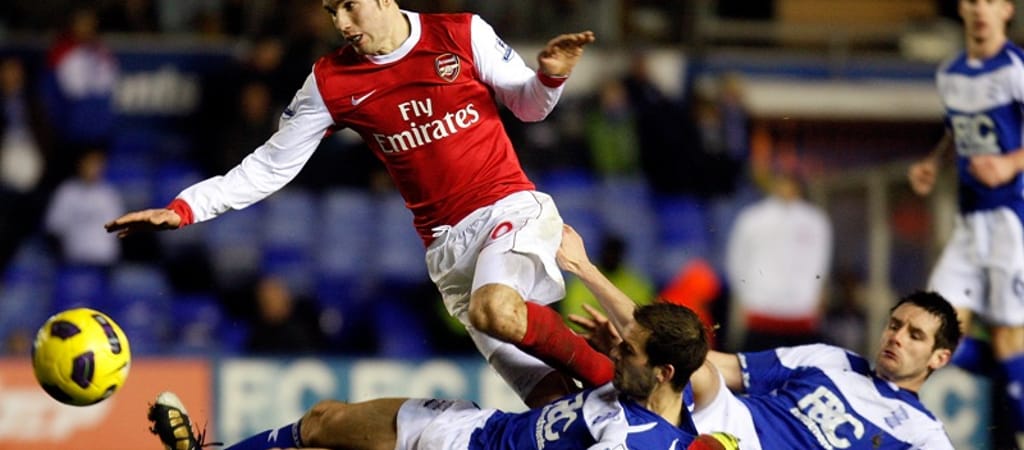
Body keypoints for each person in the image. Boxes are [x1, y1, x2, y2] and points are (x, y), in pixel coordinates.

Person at [106, 0, 605, 407]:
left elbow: (528, 107)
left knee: (495, 310)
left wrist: (548, 79)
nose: (341, 23)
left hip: (507, 208)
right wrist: (186, 208)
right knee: (549, 401)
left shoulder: (460, 33)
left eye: (349, 6)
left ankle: (617, 380)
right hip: (448, 252)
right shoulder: (332, 81)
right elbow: (270, 166)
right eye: (331, 11)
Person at [557, 225, 959, 449]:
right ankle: (583, 269)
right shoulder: (832, 360)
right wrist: (636, 350)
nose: (897, 337)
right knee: (684, 355)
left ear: (939, 357)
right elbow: (715, 365)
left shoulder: (923, 434)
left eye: (915, 335)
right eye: (895, 325)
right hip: (729, 421)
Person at [146, 302, 730, 450]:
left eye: (630, 350)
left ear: (664, 372)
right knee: (323, 421)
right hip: (470, 429)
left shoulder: (640, 440)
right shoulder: (627, 387)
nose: (618, 351)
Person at [906, 0, 1024, 441]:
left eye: (991, 1)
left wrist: (1011, 163)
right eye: (974, 0)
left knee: (1010, 339)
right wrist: (934, 163)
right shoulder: (951, 73)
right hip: (969, 222)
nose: (981, 10)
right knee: (934, 334)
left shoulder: (1015, 69)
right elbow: (958, 130)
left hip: (1012, 218)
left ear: (1007, 10)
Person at [725, 168, 832, 351]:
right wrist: (747, 296)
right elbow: (736, 260)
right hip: (761, 308)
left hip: (801, 311)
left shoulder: (815, 220)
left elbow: (821, 262)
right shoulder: (752, 218)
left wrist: (815, 295)